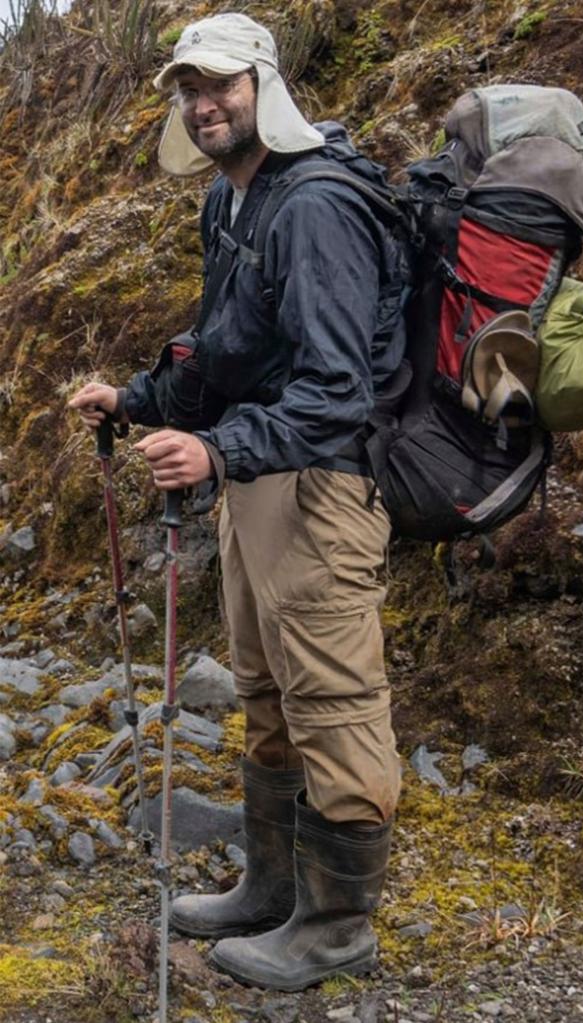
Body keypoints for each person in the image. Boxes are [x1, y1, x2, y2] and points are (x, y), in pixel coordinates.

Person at [69, 12, 407, 992]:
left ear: (264, 84)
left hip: (324, 483)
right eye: (188, 89)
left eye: (220, 84)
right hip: (258, 479)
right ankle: (271, 886)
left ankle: (338, 926)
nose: (203, 104)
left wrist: (217, 449)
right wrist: (138, 402)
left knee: (332, 702)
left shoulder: (313, 205)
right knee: (266, 691)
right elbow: (227, 350)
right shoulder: (235, 201)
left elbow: (336, 390)